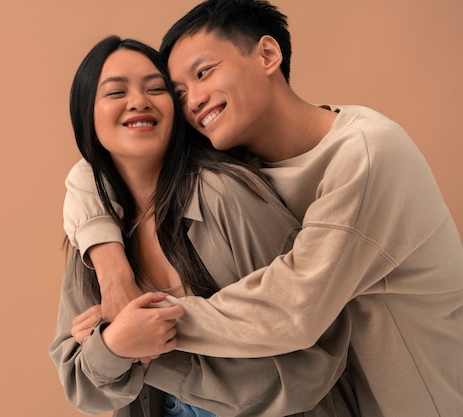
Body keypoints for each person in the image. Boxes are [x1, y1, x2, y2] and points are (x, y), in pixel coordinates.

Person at [62, 1, 463, 416]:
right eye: (178, 93)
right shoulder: (242, 159)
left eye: (203, 73)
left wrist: (135, 326)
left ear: (268, 55)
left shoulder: (366, 154)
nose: (193, 100)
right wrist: (109, 263)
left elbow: (294, 308)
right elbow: (93, 169)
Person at [50, 35, 356, 417]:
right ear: (86, 115)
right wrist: (115, 346)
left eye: (157, 89)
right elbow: (82, 385)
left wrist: (133, 347)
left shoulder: (226, 194)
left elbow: (313, 353)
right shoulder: (93, 238)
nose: (139, 101)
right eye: (116, 92)